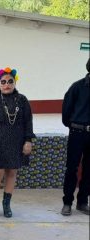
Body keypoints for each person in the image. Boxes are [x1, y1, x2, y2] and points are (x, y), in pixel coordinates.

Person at [0, 67, 34, 218]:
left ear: (14, 83)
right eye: (3, 82)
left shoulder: (22, 100)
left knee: (12, 172)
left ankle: (6, 204)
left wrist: (28, 140)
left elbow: (28, 121)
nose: (7, 84)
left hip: (16, 141)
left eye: (10, 82)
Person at [61, 58, 90, 216]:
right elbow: (66, 111)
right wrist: (73, 125)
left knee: (89, 169)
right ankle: (67, 203)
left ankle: (83, 202)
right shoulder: (77, 87)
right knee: (71, 168)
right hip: (77, 132)